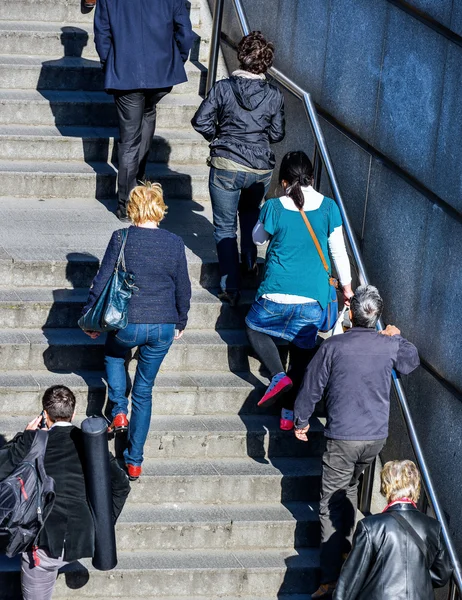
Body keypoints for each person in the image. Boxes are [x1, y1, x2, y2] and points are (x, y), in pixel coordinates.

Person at [293, 285, 421, 598]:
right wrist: (395, 337)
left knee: (330, 503)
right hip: (375, 437)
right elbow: (411, 361)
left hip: (343, 437)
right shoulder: (388, 344)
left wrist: (301, 419)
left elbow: (312, 385)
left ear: (351, 313)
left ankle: (331, 578)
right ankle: (348, 550)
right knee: (348, 489)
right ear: (376, 316)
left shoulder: (334, 346)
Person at [82, 182, 191, 480]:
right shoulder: (175, 242)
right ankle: (134, 461)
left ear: (132, 209)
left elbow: (102, 281)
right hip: (163, 327)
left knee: (115, 355)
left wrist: (89, 318)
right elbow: (183, 287)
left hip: (128, 324)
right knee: (144, 391)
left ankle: (118, 409)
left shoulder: (121, 238)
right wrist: (180, 321)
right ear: (159, 208)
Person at [245, 150, 353, 431]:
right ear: (312, 178)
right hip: (312, 299)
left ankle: (277, 375)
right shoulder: (329, 207)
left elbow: (257, 239)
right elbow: (338, 251)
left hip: (275, 295)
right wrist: (347, 287)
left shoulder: (274, 206)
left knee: (254, 327)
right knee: (302, 353)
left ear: (284, 181)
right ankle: (288, 413)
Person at [0, 385, 130, 600]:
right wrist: (102, 523)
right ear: (74, 412)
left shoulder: (34, 441)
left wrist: (24, 438)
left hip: (45, 544)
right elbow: (121, 486)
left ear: (44, 413)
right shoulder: (92, 443)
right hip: (83, 536)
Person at [191, 31, 285, 305]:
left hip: (226, 164)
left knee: (224, 228)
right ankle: (249, 263)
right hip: (259, 168)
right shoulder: (274, 94)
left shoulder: (222, 88)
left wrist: (218, 138)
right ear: (265, 63)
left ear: (241, 57)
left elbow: (200, 121)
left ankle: (230, 287)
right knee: (251, 215)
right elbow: (277, 134)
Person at [94, 0, 193, 221]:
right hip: (159, 72)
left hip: (125, 72)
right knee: (147, 115)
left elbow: (102, 34)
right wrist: (176, 59)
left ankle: (127, 203)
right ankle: (138, 186)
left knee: (130, 139)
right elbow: (185, 33)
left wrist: (109, 63)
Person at [334, 460, 452, 599]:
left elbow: (351, 580)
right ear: (416, 486)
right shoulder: (434, 527)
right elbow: (442, 574)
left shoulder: (370, 526)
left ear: (386, 486)